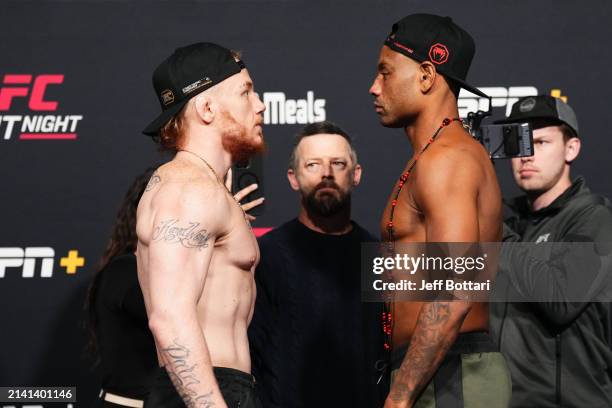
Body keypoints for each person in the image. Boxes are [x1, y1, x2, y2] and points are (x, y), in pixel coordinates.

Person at [369, 14, 511, 407]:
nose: (374, 87)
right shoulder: (433, 156)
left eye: (385, 73)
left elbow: (454, 291)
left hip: (451, 375)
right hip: (431, 370)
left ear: (427, 76)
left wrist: (398, 399)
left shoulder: (447, 158)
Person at [138, 42, 266, 408]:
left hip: (217, 389)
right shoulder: (188, 189)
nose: (259, 105)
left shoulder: (199, 188)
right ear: (207, 107)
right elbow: (169, 320)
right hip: (204, 394)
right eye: (246, 91)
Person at [248, 121, 386, 408]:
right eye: (313, 165)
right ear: (293, 177)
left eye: (338, 163)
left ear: (356, 174)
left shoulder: (380, 257)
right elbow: (252, 357)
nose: (326, 173)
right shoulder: (265, 255)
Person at [490, 95, 612, 407]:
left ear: (571, 148)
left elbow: (560, 298)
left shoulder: (594, 217)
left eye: (540, 142)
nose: (526, 155)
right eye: (516, 143)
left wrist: (493, 230)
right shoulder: (505, 218)